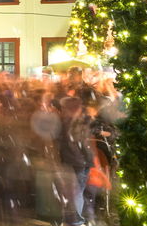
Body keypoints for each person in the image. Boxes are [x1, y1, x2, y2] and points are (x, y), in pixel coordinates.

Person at [58, 96, 94, 226]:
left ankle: (73, 219)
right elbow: (77, 143)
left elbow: (76, 142)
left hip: (76, 161)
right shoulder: (76, 121)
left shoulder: (71, 122)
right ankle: (74, 219)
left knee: (75, 191)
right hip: (78, 161)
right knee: (77, 191)